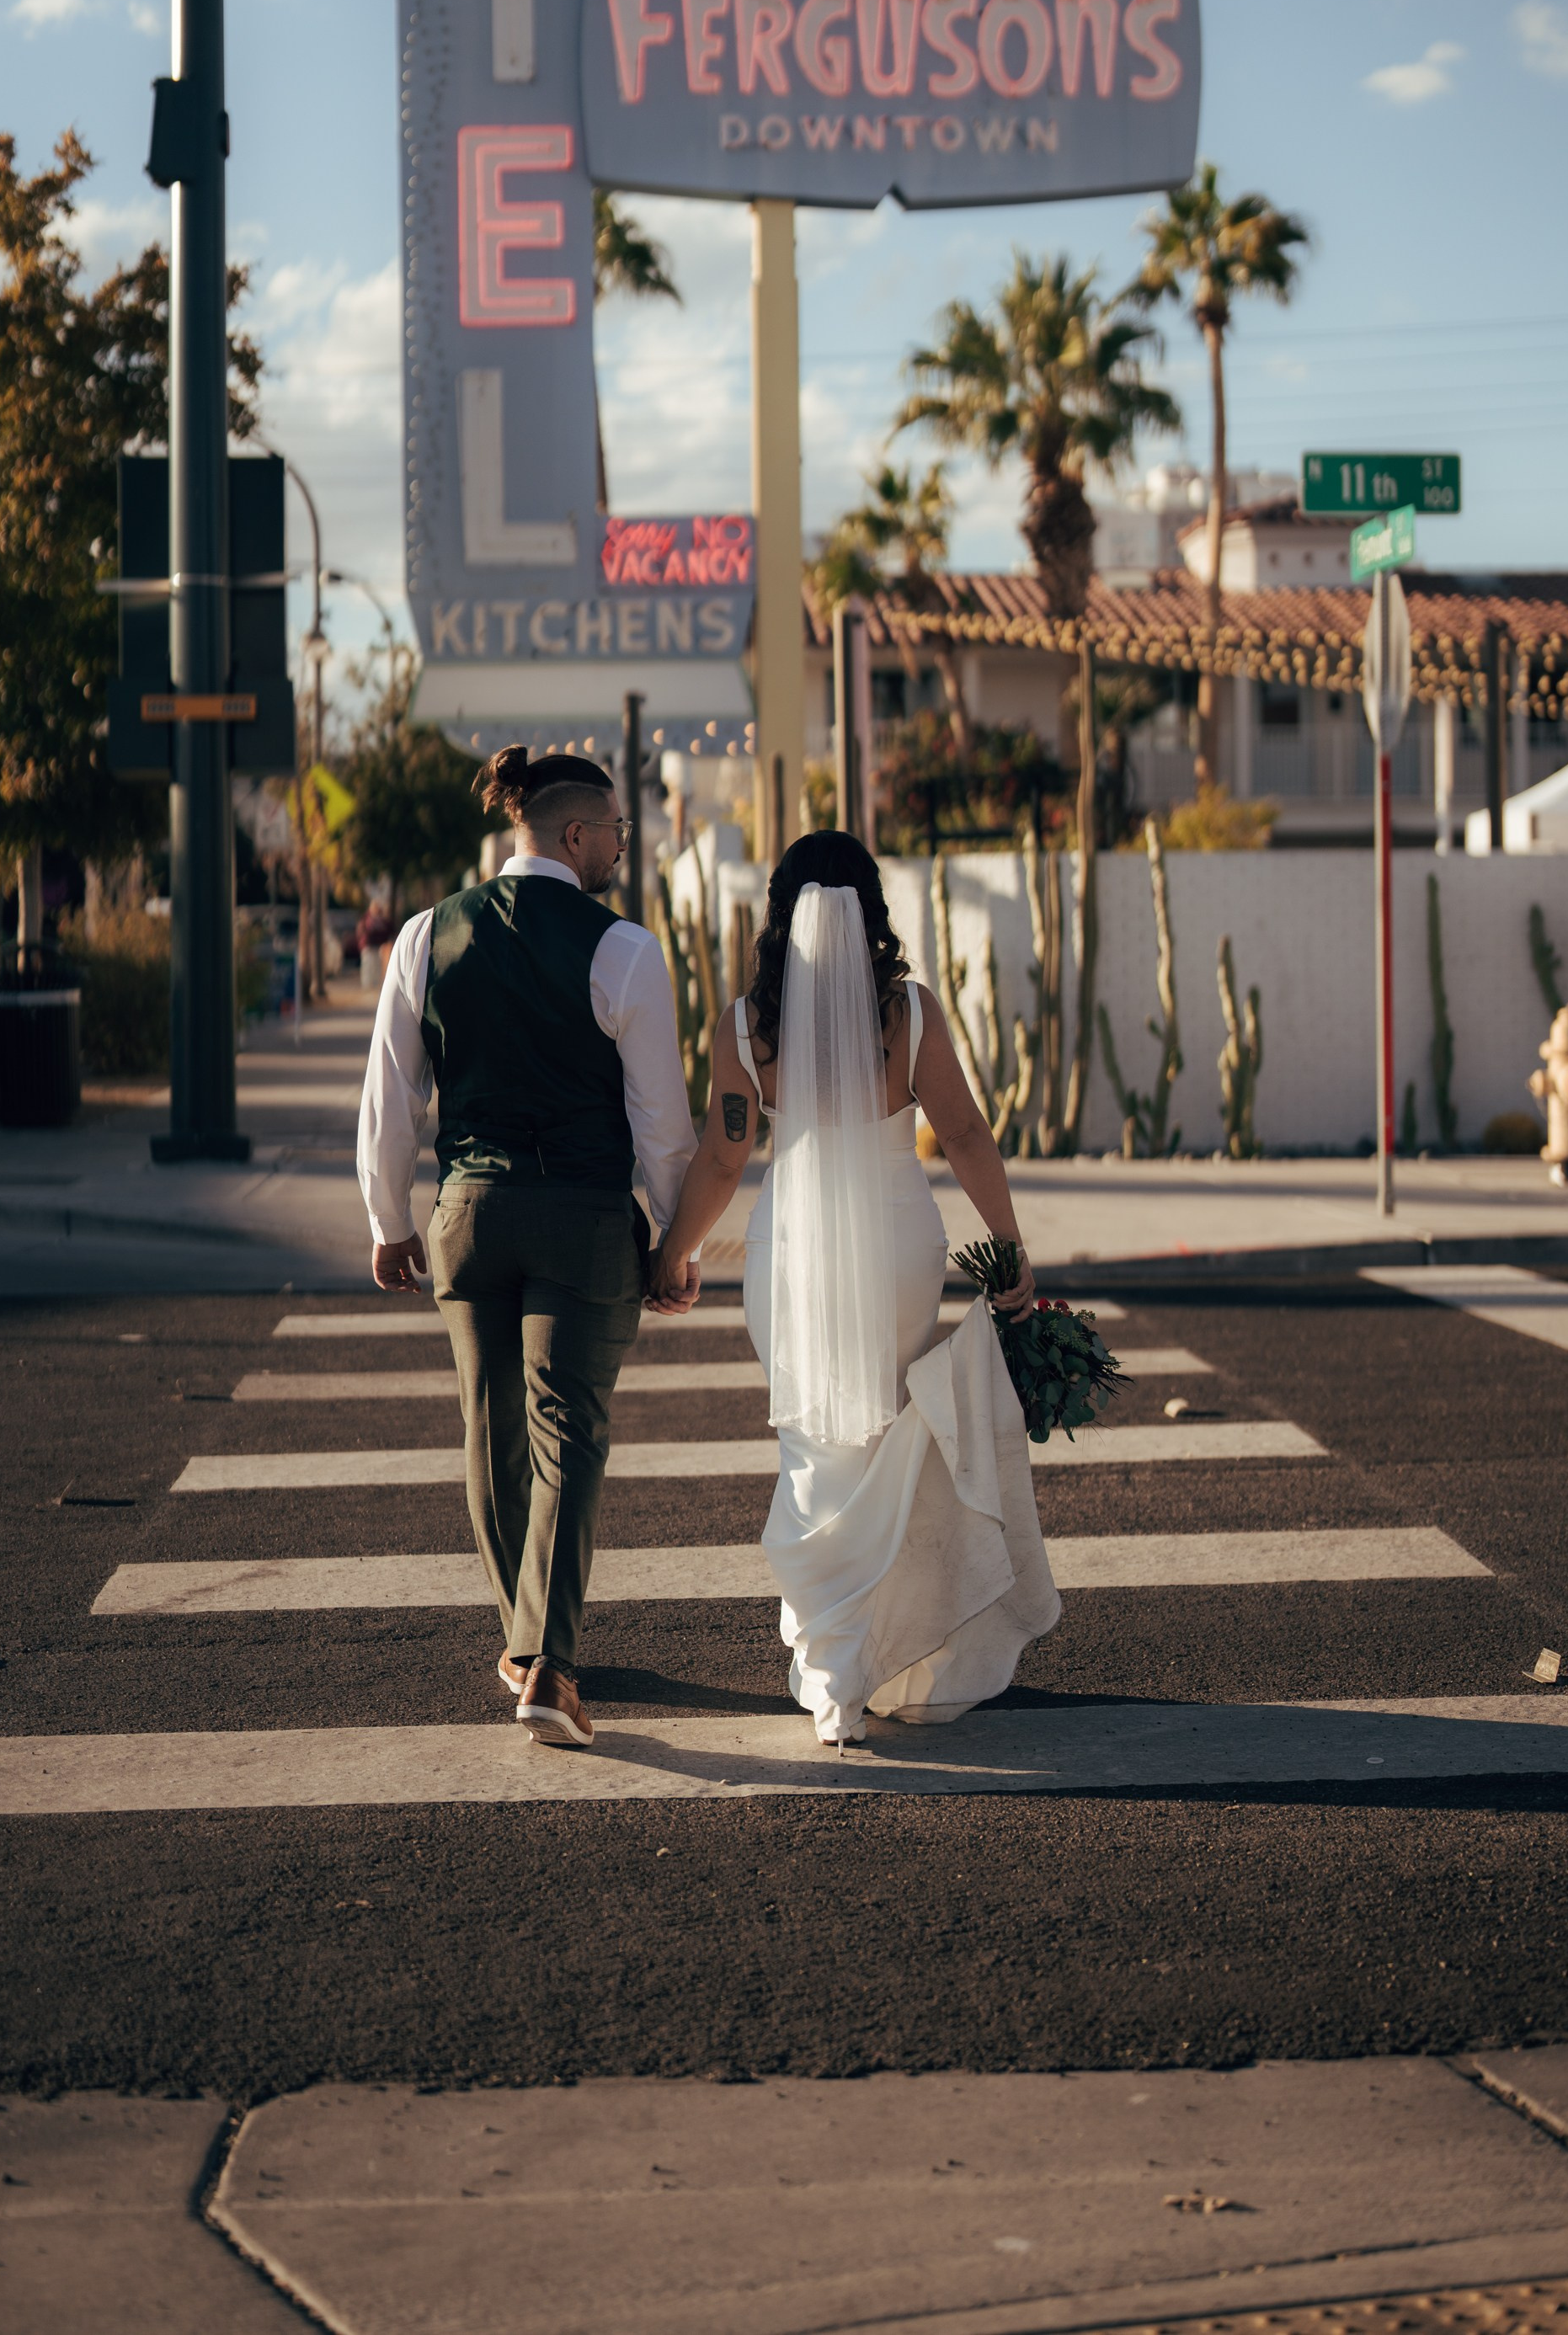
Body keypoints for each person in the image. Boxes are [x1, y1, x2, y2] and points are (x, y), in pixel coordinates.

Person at [649, 831, 1055, 1746]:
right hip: (898, 1246)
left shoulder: (744, 1028)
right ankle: (872, 1654)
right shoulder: (905, 1014)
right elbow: (963, 1135)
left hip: (790, 1247)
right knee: (883, 1430)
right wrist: (1010, 1245)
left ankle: (834, 1670)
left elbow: (722, 1154)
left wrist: (673, 1253)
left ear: (778, 914)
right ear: (871, 912)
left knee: (808, 1441)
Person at [357, 744, 696, 1751]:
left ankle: (521, 1639)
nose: (622, 854)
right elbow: (661, 1126)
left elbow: (390, 1095)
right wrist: (671, 1243)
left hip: (468, 1211)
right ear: (576, 834)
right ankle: (550, 1663)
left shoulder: (425, 934)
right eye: (617, 836)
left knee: (490, 1426)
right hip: (580, 1213)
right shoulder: (624, 949)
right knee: (569, 1433)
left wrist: (388, 1220)